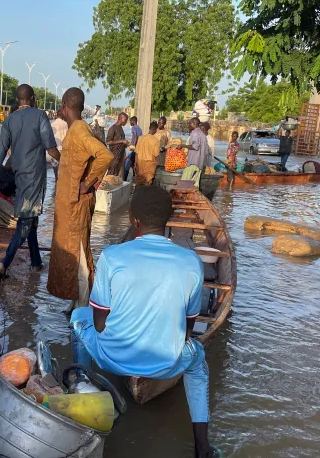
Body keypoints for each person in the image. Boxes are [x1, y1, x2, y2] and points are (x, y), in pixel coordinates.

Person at [69, 185, 217, 458]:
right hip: (166, 363)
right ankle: (202, 448)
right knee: (198, 363)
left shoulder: (112, 256)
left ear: (134, 220)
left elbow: (99, 323)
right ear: (167, 221)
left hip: (110, 358)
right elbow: (187, 331)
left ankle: (81, 384)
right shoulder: (192, 262)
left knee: (78, 317)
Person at [48, 88, 113, 309]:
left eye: (60, 106)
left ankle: (83, 306)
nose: (59, 110)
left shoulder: (78, 131)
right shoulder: (76, 129)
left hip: (76, 205)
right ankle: (77, 299)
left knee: (79, 253)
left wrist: (87, 183)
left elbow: (105, 155)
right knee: (73, 251)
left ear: (66, 106)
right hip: (70, 204)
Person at [0, 84, 60, 276]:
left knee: (31, 218)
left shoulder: (9, 119)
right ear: (32, 98)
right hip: (35, 176)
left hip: (18, 174)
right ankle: (5, 263)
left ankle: (36, 262)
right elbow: (50, 147)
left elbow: (0, 151)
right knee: (27, 220)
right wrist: (65, 161)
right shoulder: (40, 116)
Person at [106, 112, 130, 177]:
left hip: (121, 155)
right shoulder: (113, 128)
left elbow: (120, 141)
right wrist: (122, 141)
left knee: (118, 176)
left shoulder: (120, 128)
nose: (126, 122)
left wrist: (126, 144)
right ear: (121, 118)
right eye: (126, 120)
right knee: (111, 174)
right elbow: (108, 142)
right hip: (114, 156)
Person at [50, 111, 69, 180]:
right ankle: (61, 179)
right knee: (62, 166)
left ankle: (56, 178)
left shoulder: (52, 124)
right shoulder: (65, 124)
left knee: (55, 166)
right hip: (63, 147)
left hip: (55, 148)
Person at [124, 116, 143, 181]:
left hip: (134, 148)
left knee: (127, 163)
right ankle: (135, 177)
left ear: (133, 121)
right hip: (138, 148)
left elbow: (135, 136)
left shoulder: (134, 127)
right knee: (134, 164)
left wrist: (133, 146)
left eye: (130, 121)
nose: (129, 123)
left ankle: (124, 179)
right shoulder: (139, 128)